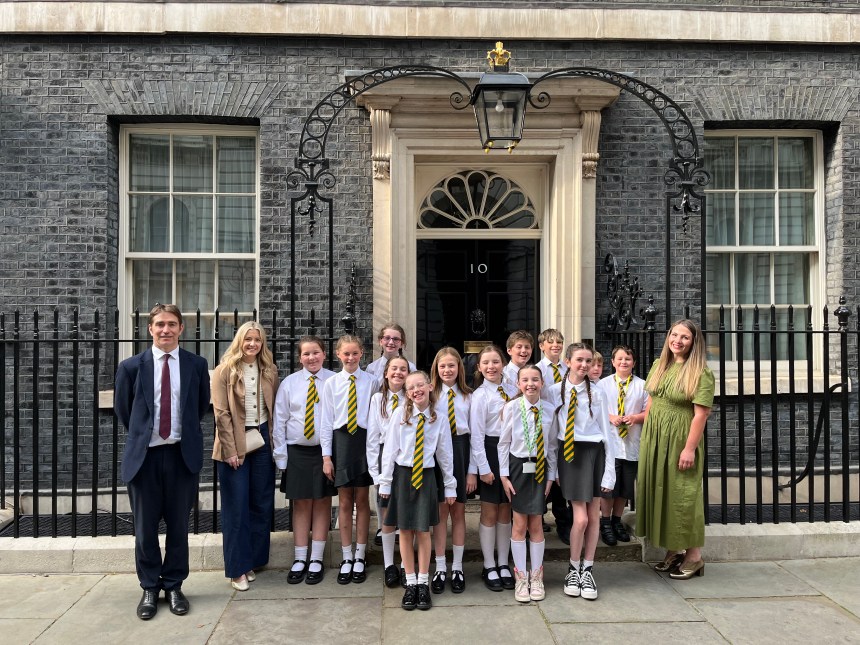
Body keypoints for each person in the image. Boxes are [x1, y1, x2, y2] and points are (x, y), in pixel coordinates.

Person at [115, 304, 210, 620]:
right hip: (145, 460)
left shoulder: (196, 365)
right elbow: (126, 413)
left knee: (179, 528)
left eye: (172, 324)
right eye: (159, 324)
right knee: (144, 529)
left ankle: (174, 585)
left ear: (181, 329)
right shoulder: (131, 367)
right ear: (150, 329)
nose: (165, 329)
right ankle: (149, 587)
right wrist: (146, 436)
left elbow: (198, 408)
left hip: (181, 457)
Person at [637, 320, 714, 580]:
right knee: (663, 492)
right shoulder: (660, 365)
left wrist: (689, 449)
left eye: (685, 337)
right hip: (655, 437)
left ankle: (694, 556)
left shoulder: (700, 372)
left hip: (681, 438)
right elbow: (651, 403)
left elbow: (701, 414)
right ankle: (673, 551)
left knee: (683, 496)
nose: (678, 341)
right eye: (674, 335)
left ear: (694, 343)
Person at [379, 371, 456, 611]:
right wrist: (385, 481)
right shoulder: (399, 415)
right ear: (407, 393)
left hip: (425, 476)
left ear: (430, 386)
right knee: (404, 530)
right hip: (403, 475)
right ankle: (410, 582)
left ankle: (423, 581)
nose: (415, 390)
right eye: (410, 387)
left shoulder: (438, 418)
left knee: (423, 530)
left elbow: (445, 453)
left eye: (419, 385)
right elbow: (390, 449)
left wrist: (450, 483)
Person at [211, 321, 279, 592]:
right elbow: (221, 414)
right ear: (240, 341)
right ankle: (237, 569)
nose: (252, 344)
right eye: (248, 339)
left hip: (262, 439)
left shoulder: (269, 370)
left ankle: (252, 561)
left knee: (261, 504)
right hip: (235, 441)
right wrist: (231, 450)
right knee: (236, 507)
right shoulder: (224, 371)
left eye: (257, 340)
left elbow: (275, 409)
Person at [547, 343, 615, 601]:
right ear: (567, 361)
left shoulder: (597, 393)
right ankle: (573, 567)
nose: (584, 365)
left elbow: (608, 435)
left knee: (594, 516)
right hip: (570, 454)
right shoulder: (554, 392)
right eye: (579, 360)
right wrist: (553, 470)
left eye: (589, 361)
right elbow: (552, 436)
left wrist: (610, 473)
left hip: (594, 452)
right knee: (581, 519)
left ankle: (587, 569)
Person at [272, 335, 335, 585]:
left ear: (324, 354)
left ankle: (317, 559)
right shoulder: (289, 383)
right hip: (297, 450)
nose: (312, 357)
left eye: (316, 352)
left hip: (324, 452)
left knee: (321, 502)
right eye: (306, 354)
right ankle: (300, 558)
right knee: (300, 505)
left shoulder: (333, 380)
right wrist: (282, 458)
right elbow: (280, 420)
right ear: (300, 358)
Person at [320, 334, 379, 584]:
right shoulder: (332, 383)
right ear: (338, 355)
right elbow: (325, 421)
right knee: (345, 501)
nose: (351, 357)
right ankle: (346, 556)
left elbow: (376, 416)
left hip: (364, 440)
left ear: (362, 353)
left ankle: (360, 554)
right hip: (342, 440)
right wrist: (326, 456)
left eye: (355, 353)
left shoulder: (372, 382)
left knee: (363, 499)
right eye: (346, 354)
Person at [499, 365, 557, 603]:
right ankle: (521, 576)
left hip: (540, 468)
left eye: (535, 379)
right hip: (518, 468)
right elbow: (504, 443)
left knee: (537, 524)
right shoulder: (512, 408)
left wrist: (551, 476)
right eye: (525, 380)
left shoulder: (550, 410)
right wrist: (504, 476)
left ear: (542, 383)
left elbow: (552, 446)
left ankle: (537, 576)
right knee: (519, 524)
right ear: (518, 384)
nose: (530, 384)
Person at [469, 344, 519, 592]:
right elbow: (476, 436)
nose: (491, 367)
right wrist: (483, 468)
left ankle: (503, 563)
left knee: (506, 510)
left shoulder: (513, 389)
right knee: (489, 511)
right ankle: (489, 564)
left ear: (503, 363)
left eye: (495, 362)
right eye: (486, 363)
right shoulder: (480, 396)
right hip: (490, 450)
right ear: (479, 367)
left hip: (511, 452)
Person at [429, 347, 473, 594]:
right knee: (440, 513)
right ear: (436, 368)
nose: (447, 370)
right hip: (436, 453)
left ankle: (457, 566)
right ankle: (440, 566)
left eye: (452, 366)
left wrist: (472, 471)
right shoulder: (430, 395)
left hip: (460, 450)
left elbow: (476, 434)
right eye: (443, 366)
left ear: (459, 369)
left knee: (458, 511)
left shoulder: (468, 395)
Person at [597, 345, 649, 547]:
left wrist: (635, 418)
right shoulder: (603, 385)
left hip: (631, 443)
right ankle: (605, 522)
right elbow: (596, 410)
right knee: (609, 487)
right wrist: (611, 417)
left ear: (633, 363)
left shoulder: (642, 385)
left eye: (628, 359)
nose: (623, 362)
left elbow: (648, 412)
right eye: (619, 359)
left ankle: (618, 521)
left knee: (625, 489)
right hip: (610, 443)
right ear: (613, 362)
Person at [366, 356, 410, 588]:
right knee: (386, 515)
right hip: (384, 458)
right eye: (394, 369)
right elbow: (372, 437)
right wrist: (377, 473)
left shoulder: (411, 398)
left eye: (403, 369)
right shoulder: (377, 399)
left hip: (406, 459)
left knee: (405, 513)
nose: (398, 373)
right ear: (385, 373)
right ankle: (388, 565)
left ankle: (405, 563)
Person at [535, 328, 572, 544]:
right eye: (551, 342)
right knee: (543, 474)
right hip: (546, 425)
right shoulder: (538, 370)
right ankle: (537, 518)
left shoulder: (569, 368)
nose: (556, 345)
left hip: (566, 427)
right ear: (542, 346)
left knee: (561, 477)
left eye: (559, 341)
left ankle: (563, 521)